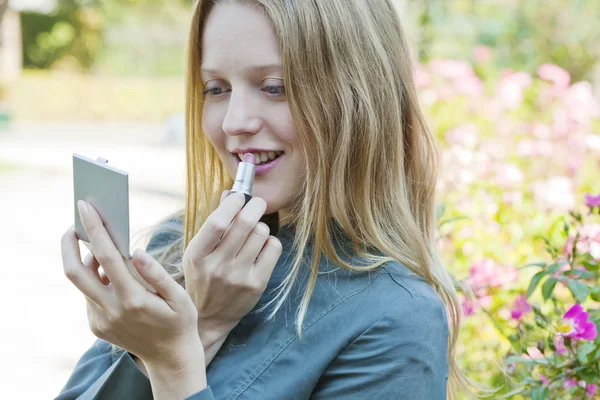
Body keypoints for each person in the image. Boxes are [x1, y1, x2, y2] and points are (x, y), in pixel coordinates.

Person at [57, 0, 474, 399]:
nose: (235, 122)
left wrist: (172, 363)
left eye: (274, 88)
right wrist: (199, 326)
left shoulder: (397, 318)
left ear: (359, 96)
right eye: (216, 88)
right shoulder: (178, 245)